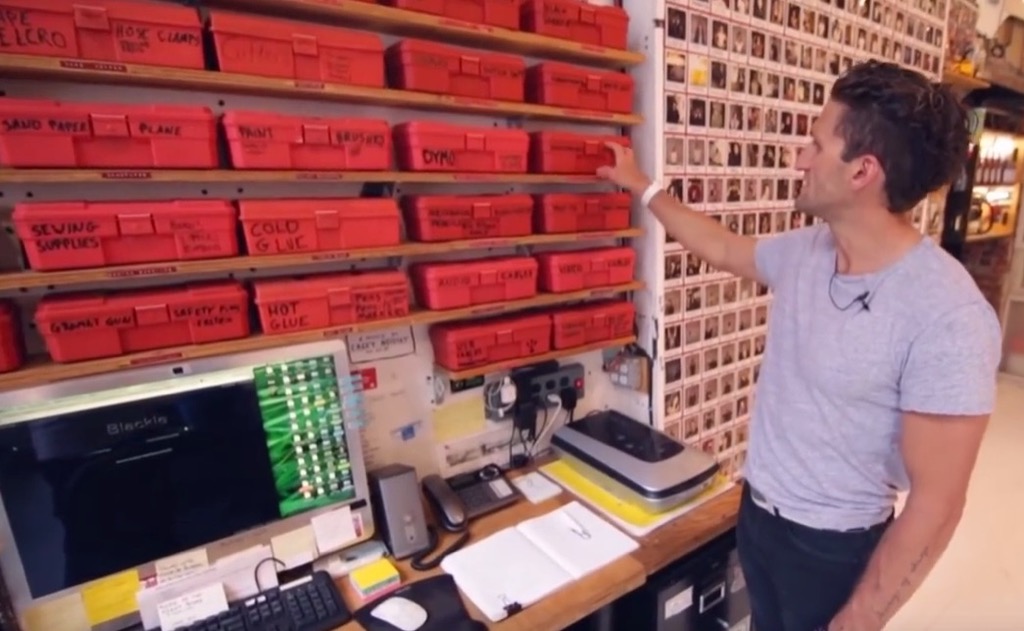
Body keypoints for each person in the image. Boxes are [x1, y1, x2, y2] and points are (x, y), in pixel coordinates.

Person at [597, 60, 1001, 631]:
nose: (798, 159)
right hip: (759, 518)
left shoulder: (948, 315)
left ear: (863, 171)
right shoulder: (811, 251)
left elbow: (939, 504)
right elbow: (725, 249)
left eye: (814, 145)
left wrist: (860, 618)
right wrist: (643, 187)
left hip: (835, 553)